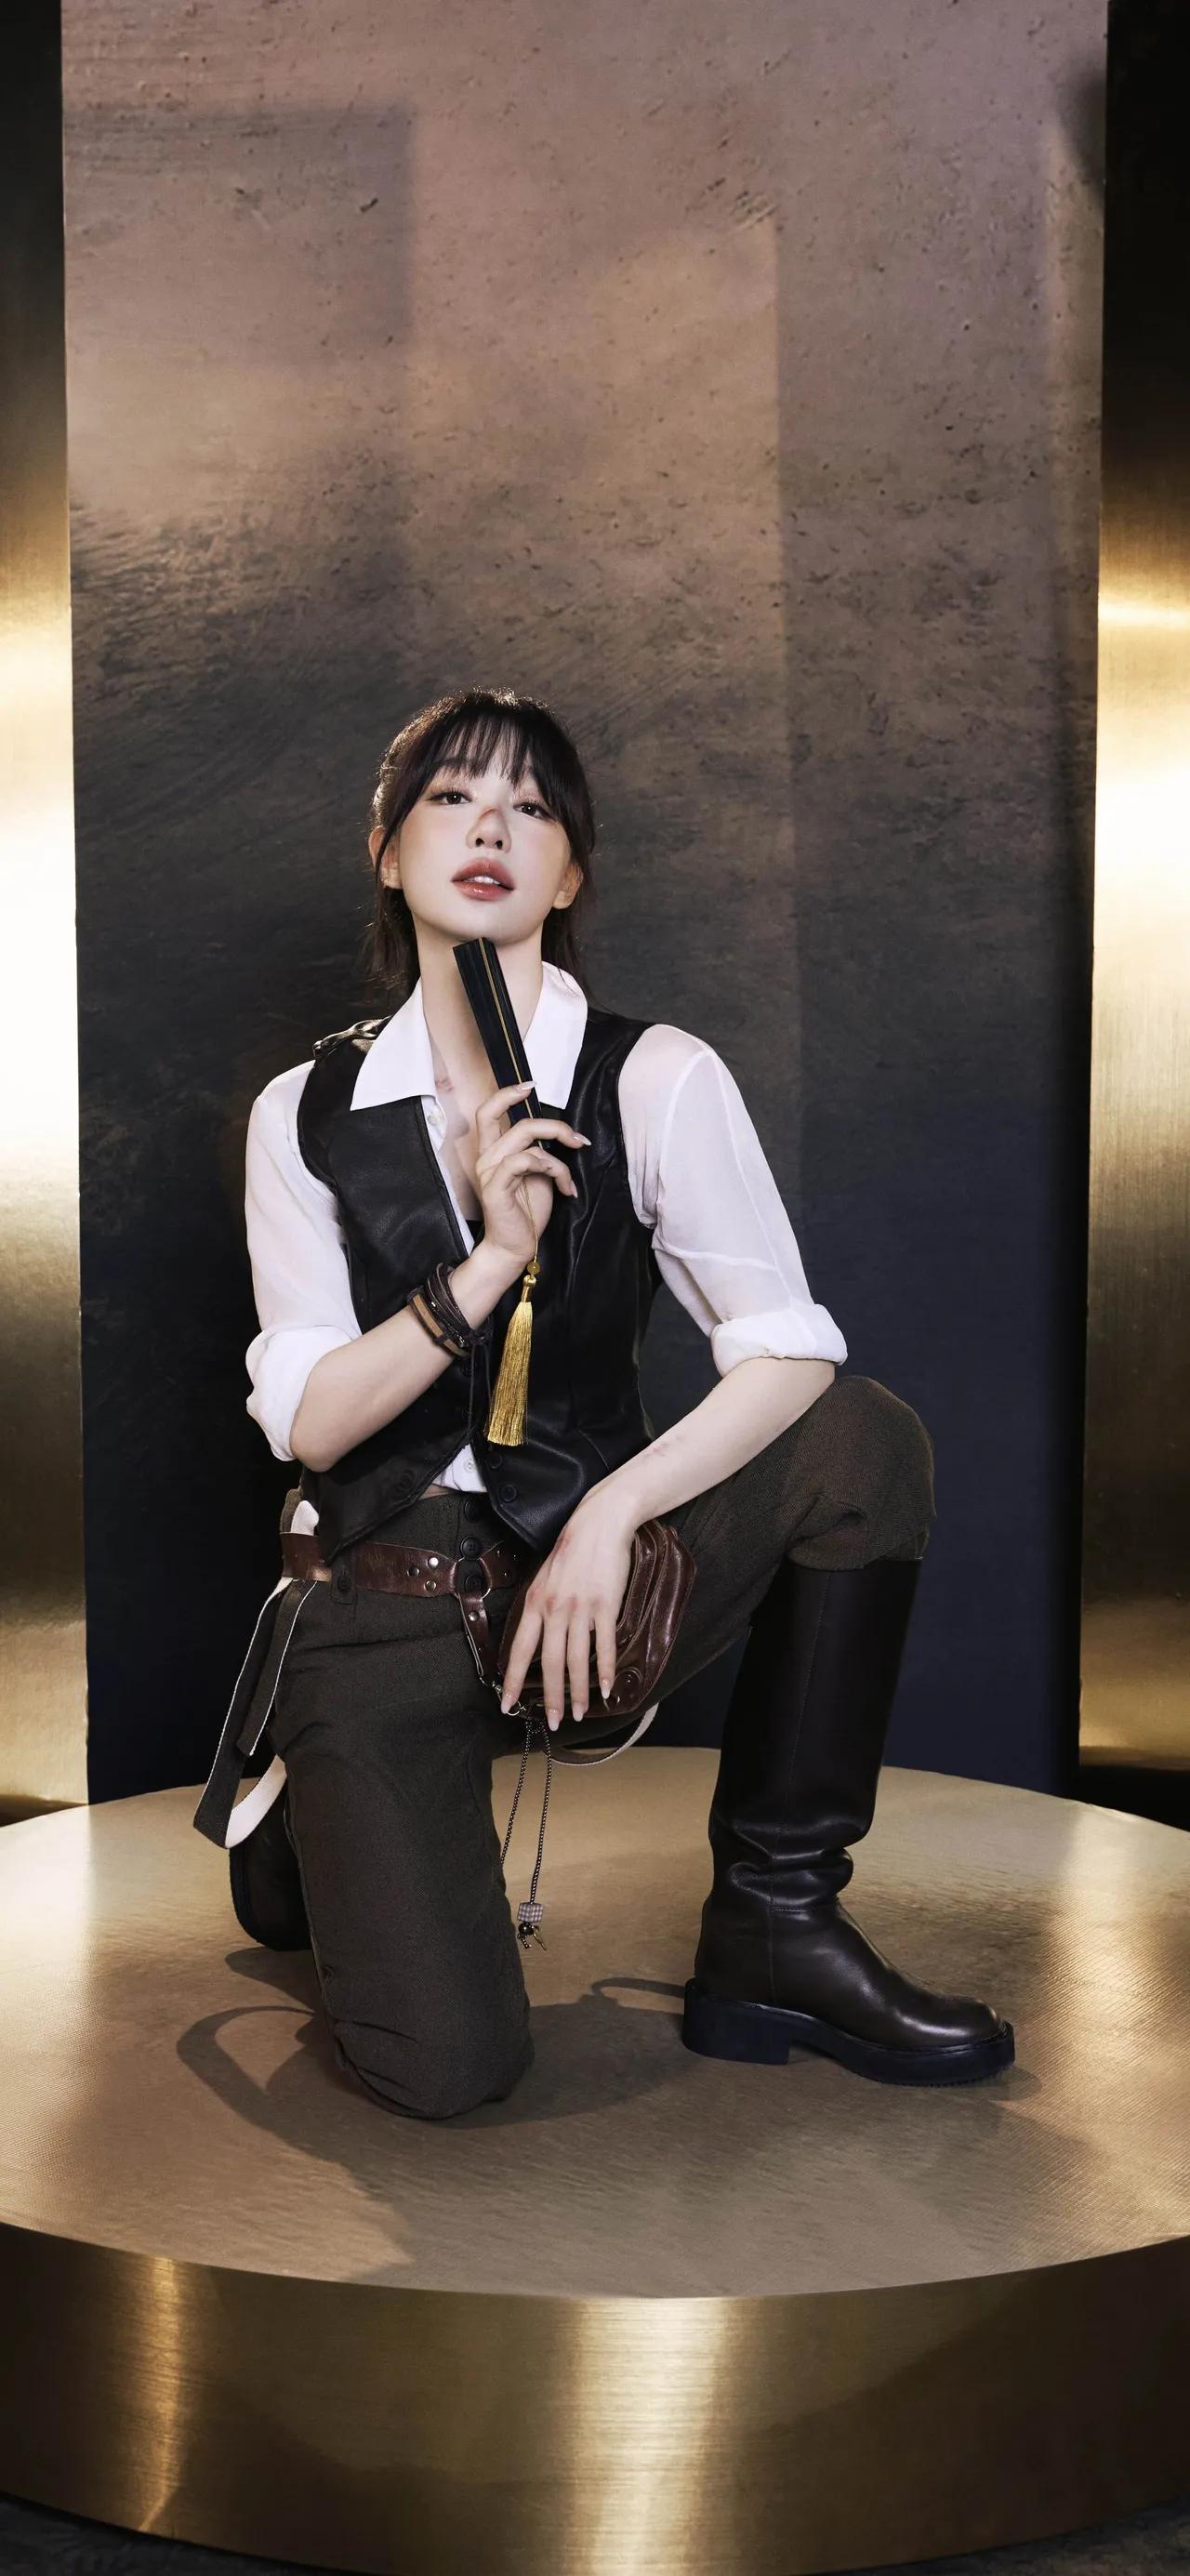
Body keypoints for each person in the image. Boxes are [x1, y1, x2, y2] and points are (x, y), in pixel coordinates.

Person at [195, 684, 1013, 2118]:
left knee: (860, 1442)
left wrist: (614, 1515)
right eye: (453, 798)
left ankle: (777, 1929)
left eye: (532, 807)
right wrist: (490, 1259)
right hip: (386, 1605)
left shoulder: (656, 1076)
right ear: (388, 850)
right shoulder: (303, 1112)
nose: (491, 828)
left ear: (569, 872)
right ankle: (308, 1828)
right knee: (448, 2074)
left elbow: (789, 1351)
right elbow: (316, 1423)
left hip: (589, 1586)